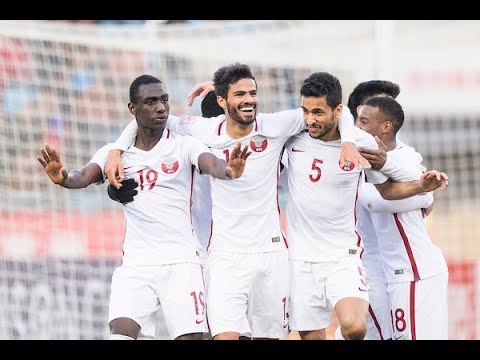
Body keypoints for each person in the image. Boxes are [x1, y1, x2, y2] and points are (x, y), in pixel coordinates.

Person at [103, 63, 368, 340]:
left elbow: (340, 111)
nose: (249, 100)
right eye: (239, 94)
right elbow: (148, 119)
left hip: (271, 254)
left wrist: (348, 141)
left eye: (252, 93)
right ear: (222, 101)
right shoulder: (202, 130)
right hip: (224, 256)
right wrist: (116, 150)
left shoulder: (276, 125)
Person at [36, 74, 251, 340]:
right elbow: (82, 176)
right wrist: (63, 178)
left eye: (164, 100)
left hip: (182, 263)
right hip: (137, 264)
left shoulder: (184, 145)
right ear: (132, 108)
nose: (160, 107)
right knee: (120, 334)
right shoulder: (114, 154)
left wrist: (229, 169)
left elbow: (213, 164)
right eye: (150, 102)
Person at [284, 72, 448, 340]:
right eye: (361, 116)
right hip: (378, 271)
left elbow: (386, 197)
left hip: (412, 271)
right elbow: (375, 199)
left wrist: (422, 190)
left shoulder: (402, 155)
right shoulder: (353, 147)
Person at [356, 96, 449, 340]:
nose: (358, 128)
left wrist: (423, 192)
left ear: (385, 127)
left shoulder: (406, 158)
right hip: (395, 274)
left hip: (414, 272)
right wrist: (423, 193)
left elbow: (377, 201)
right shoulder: (373, 163)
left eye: (364, 121)